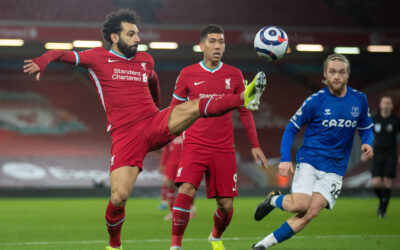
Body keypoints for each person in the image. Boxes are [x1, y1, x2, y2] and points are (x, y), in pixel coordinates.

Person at [22, 9, 267, 250]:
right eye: (131, 34)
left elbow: (153, 80)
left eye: (138, 33)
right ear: (115, 37)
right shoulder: (96, 57)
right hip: (126, 134)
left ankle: (243, 97)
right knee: (118, 198)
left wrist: (158, 108)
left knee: (193, 106)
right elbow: (58, 53)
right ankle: (114, 245)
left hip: (154, 122)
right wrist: (42, 62)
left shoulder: (146, 60)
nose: (138, 39)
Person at [250, 54, 374, 250]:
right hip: (310, 161)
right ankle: (273, 200)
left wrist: (368, 142)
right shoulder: (315, 101)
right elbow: (291, 128)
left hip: (335, 170)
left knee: (310, 213)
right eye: (332, 72)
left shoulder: (359, 100)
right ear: (325, 74)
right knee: (300, 205)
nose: (336, 76)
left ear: (348, 75)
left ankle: (261, 246)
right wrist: (284, 158)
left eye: (341, 72)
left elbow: (366, 127)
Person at [169, 24, 268, 250]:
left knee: (225, 205)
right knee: (185, 190)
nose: (217, 46)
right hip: (194, 143)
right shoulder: (187, 73)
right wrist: (169, 134)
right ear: (202, 46)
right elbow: (174, 108)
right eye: (212, 41)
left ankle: (214, 237)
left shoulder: (234, 74)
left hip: (223, 148)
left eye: (221, 42)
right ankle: (175, 246)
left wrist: (255, 145)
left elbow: (244, 109)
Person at [371, 95, 400, 218]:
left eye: (389, 103)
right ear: (380, 105)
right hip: (377, 153)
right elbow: (367, 135)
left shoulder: (396, 120)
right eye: (384, 103)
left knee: (387, 182)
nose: (386, 105)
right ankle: (383, 199)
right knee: (375, 183)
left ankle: (382, 211)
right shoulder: (374, 119)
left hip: (390, 154)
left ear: (392, 106)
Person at [158, 135, 196, 220]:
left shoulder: (188, 131)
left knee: (187, 185)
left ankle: (191, 209)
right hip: (172, 161)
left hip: (185, 160)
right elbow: (166, 149)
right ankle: (172, 212)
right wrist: (163, 164)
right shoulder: (171, 132)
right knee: (169, 183)